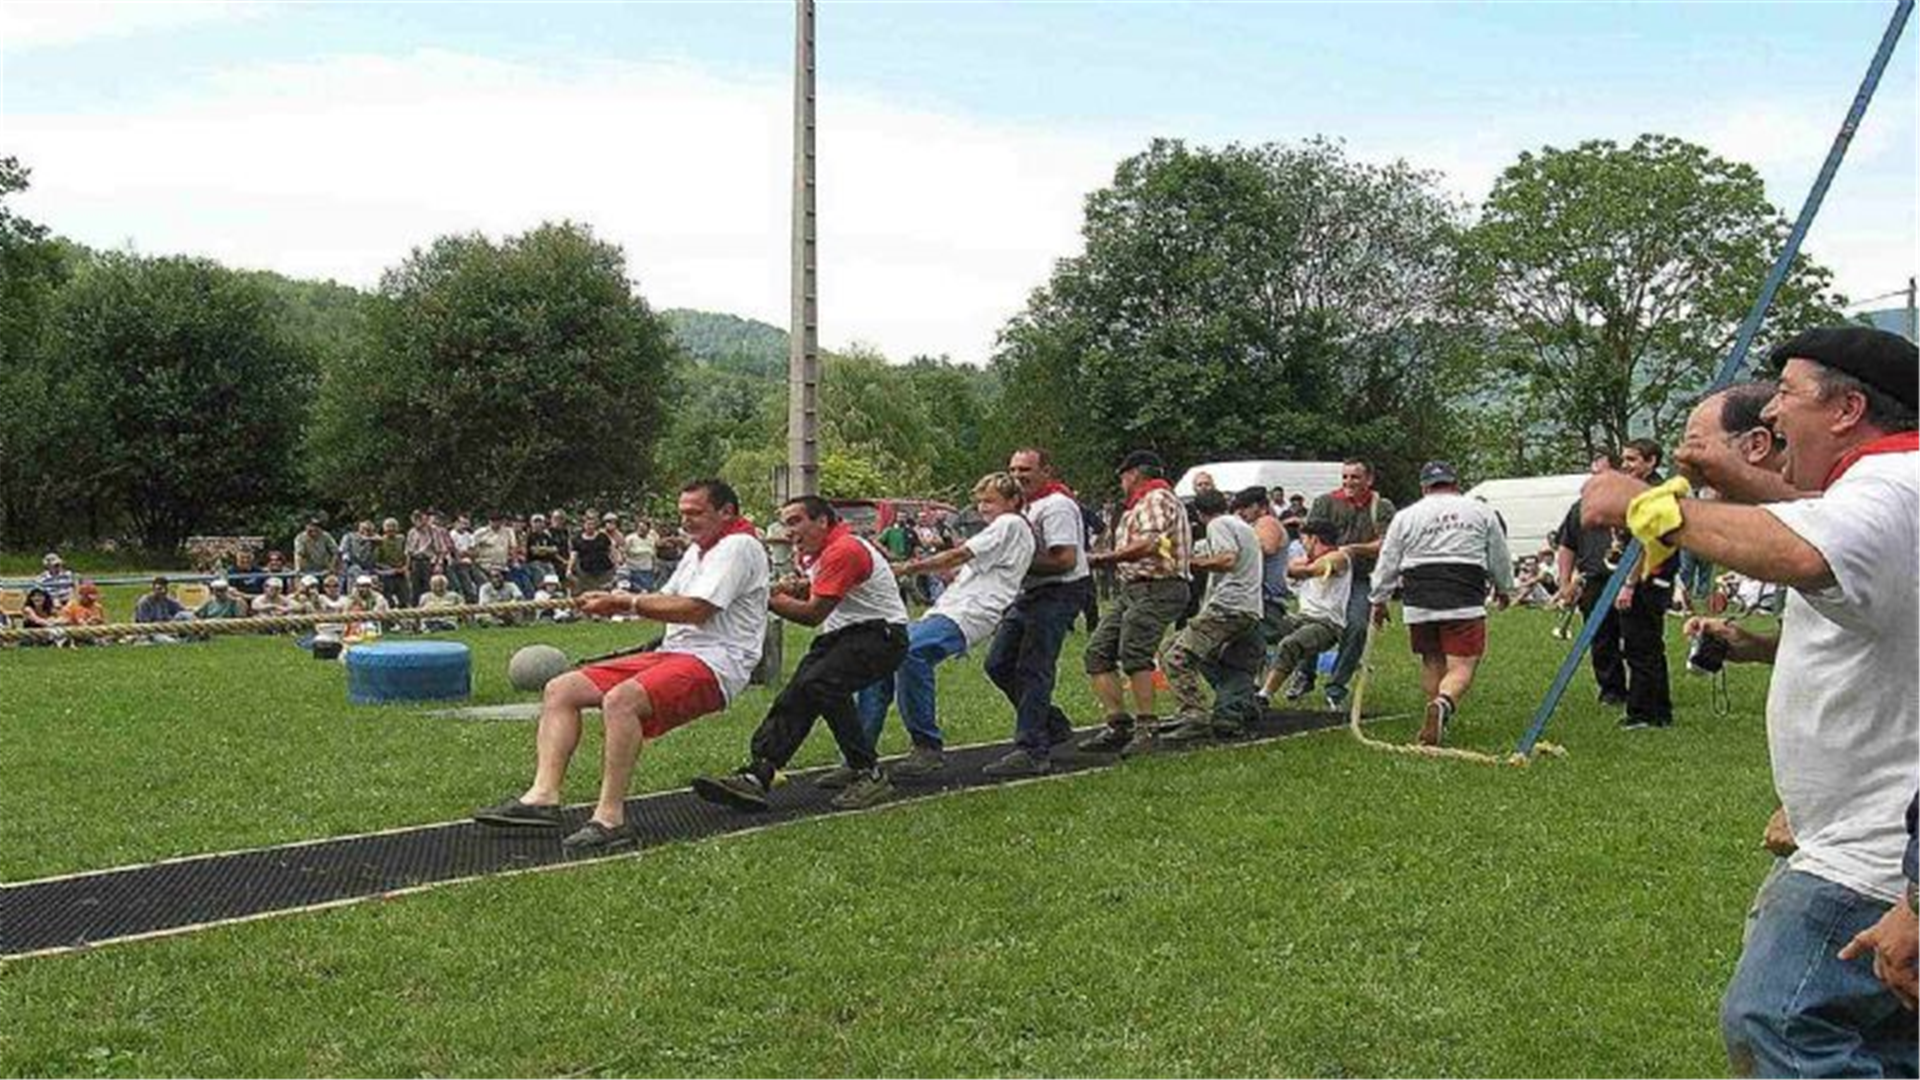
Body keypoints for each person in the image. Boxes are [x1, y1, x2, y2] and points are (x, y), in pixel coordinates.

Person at [1579, 326, 1918, 1077]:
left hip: (1872, 852)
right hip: (1865, 831)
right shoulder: (1885, 487)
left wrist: (1649, 507)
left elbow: (1802, 549)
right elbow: (1819, 530)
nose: (1770, 414)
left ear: (1847, 409)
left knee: (1779, 1019)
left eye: (1787, 395)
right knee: (1888, 1046)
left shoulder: (1893, 488)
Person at [475, 479, 769, 852]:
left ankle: (610, 818)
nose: (685, 521)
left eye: (695, 513)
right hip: (676, 652)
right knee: (561, 689)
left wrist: (623, 603)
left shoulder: (739, 546)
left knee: (621, 700)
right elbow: (665, 598)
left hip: (717, 663)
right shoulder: (699, 550)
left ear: (726, 512)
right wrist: (612, 598)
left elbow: (696, 609)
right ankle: (542, 798)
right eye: (682, 513)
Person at [693, 496, 909, 813]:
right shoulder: (821, 551)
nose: (788, 531)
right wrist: (796, 586)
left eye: (795, 521)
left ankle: (868, 772)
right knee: (798, 693)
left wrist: (760, 597)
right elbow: (823, 586)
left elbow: (812, 614)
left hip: (881, 636)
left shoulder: (844, 550)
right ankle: (758, 774)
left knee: (820, 683)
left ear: (822, 521)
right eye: (785, 524)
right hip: (845, 636)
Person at [853, 472, 1036, 779]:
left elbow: (960, 554)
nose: (983, 507)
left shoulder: (1010, 523)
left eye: (990, 501)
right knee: (883, 656)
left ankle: (925, 746)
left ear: (1013, 501)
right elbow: (969, 567)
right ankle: (859, 751)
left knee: (910, 652)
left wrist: (906, 568)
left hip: (970, 612)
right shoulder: (1004, 532)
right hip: (953, 608)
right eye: (979, 501)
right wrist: (949, 574)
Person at [1367, 461, 1514, 746]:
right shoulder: (1480, 511)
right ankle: (1443, 703)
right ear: (1455, 484)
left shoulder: (1406, 515)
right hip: (1463, 593)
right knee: (1462, 664)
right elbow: (1498, 553)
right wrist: (1504, 587)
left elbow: (1388, 560)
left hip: (1419, 596)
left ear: (1424, 487)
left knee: (1432, 658)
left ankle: (1435, 716)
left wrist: (1379, 599)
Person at [981, 447, 1091, 776]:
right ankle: (1051, 725)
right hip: (1031, 593)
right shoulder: (1024, 507)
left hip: (1059, 591)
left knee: (1034, 667)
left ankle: (1032, 749)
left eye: (1025, 470)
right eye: (1013, 469)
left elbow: (1065, 560)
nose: (1017, 476)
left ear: (1046, 471)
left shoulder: (1056, 506)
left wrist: (1013, 562)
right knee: (998, 663)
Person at [1555, 440, 1677, 730]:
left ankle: (1647, 712)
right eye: (1624, 460)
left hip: (1645, 579)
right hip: (1607, 579)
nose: (1626, 466)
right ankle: (1639, 703)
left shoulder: (1654, 496)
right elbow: (1567, 543)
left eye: (1632, 460)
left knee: (1641, 645)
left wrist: (1629, 584)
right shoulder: (1623, 498)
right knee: (1618, 642)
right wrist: (1566, 582)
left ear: (1651, 461)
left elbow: (1646, 543)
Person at [1078, 450, 1192, 755]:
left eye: (1123, 476)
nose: (1121, 483)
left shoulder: (1156, 497)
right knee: (1097, 653)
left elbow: (1150, 543)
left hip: (1158, 586)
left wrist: (1104, 558)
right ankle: (1118, 724)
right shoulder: (1140, 504)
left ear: (1133, 474)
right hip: (1136, 588)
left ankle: (1147, 728)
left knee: (1135, 653)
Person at [1160, 489, 1268, 744]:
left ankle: (1194, 715)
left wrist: (1186, 563)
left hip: (1227, 608)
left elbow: (1227, 559)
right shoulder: (1242, 527)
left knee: (1174, 654)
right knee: (1230, 663)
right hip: (1249, 608)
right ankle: (1236, 706)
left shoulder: (1218, 524)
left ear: (1199, 514)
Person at [1302, 460, 1396, 710]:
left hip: (1360, 578)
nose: (1348, 482)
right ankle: (1305, 673)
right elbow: (1310, 536)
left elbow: (1386, 544)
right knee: (1311, 622)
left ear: (1369, 479)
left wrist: (1352, 549)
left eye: (1355, 477)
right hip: (1328, 575)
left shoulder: (1381, 507)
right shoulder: (1325, 502)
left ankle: (1336, 688)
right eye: (1345, 476)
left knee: (1356, 626)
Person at [1259, 522, 1351, 703]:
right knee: (1257, 627)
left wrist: (1304, 568)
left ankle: (1264, 695)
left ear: (1314, 539)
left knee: (1290, 644)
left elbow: (1312, 570)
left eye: (1304, 540)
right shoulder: (1310, 558)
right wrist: (1302, 567)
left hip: (1328, 624)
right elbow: (1292, 568)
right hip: (1301, 618)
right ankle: (1253, 684)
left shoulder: (1341, 557)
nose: (1302, 545)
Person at [1229, 486, 1292, 706]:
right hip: (1257, 597)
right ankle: (1251, 694)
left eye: (1245, 507)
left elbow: (1267, 548)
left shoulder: (1267, 522)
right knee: (1249, 649)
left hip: (1266, 598)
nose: (1242, 512)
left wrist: (1234, 544)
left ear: (1260, 506)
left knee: (1253, 648)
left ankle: (1254, 695)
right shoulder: (1254, 525)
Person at [567, 514, 618, 595]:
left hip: (604, 571)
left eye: (592, 524)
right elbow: (573, 555)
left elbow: (612, 550)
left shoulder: (603, 537)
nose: (590, 526)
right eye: (588, 524)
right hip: (586, 572)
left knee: (604, 594)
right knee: (589, 594)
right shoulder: (577, 539)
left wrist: (616, 565)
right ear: (584, 525)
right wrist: (569, 569)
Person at [373, 518, 409, 606]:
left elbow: (407, 554)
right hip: (387, 572)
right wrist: (392, 570)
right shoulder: (380, 541)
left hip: (401, 570)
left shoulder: (401, 539)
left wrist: (405, 567)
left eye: (393, 526)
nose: (391, 529)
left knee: (404, 596)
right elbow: (377, 562)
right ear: (384, 529)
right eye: (388, 527)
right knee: (388, 596)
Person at [623, 518, 659, 592]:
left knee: (647, 591)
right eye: (640, 528)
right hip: (633, 569)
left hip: (647, 570)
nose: (641, 530)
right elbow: (624, 553)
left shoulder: (651, 539)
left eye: (644, 528)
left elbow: (654, 554)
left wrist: (655, 566)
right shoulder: (630, 539)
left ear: (648, 530)